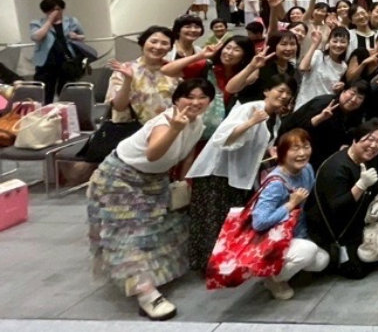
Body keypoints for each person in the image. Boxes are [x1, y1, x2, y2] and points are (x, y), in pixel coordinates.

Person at [86, 78, 214, 320]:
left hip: (155, 180)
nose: (196, 102)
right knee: (129, 234)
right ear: (176, 99)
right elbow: (153, 153)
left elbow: (186, 154)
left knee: (161, 227)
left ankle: (152, 277)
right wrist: (174, 129)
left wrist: (183, 183)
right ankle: (145, 293)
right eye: (189, 97)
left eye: (202, 97)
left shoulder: (197, 123)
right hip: (120, 177)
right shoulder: (165, 122)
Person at [186, 74, 297, 271]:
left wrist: (271, 152)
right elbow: (222, 138)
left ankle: (223, 264)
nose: (284, 96)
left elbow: (260, 146)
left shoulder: (275, 119)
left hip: (239, 176)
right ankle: (208, 266)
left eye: (288, 93)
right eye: (280, 91)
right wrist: (251, 122)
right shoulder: (249, 109)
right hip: (217, 173)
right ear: (267, 91)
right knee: (212, 222)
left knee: (229, 221)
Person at [251, 129, 330, 300]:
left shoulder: (307, 169)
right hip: (273, 241)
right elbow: (259, 222)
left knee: (322, 261)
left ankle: (287, 267)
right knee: (308, 251)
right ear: (282, 152)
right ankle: (273, 278)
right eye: (295, 149)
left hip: (298, 234)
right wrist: (290, 204)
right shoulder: (276, 183)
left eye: (306, 146)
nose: (302, 153)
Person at [306, 120, 378, 279]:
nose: (373, 146)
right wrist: (361, 185)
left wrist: (376, 200)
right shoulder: (336, 167)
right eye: (369, 139)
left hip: (358, 217)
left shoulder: (369, 158)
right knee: (357, 270)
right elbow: (338, 207)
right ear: (355, 140)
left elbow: (377, 186)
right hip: (335, 227)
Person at [281, 81, 370, 169]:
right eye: (352, 93)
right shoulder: (323, 103)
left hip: (324, 161)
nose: (354, 99)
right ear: (343, 91)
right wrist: (319, 118)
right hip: (299, 153)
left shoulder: (356, 115)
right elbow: (294, 127)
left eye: (360, 97)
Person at [107, 26, 180, 125]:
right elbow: (119, 107)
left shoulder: (175, 70)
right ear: (143, 43)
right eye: (153, 42)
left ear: (170, 48)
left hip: (168, 127)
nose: (158, 47)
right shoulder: (125, 69)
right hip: (134, 129)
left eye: (164, 43)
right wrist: (128, 80)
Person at [29, 0, 88, 102]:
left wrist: (76, 36)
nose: (56, 12)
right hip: (46, 62)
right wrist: (49, 21)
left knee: (66, 90)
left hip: (66, 61)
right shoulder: (37, 23)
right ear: (46, 11)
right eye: (52, 10)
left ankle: (65, 109)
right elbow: (36, 37)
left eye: (58, 9)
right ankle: (46, 108)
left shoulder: (72, 21)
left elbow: (83, 37)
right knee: (45, 91)